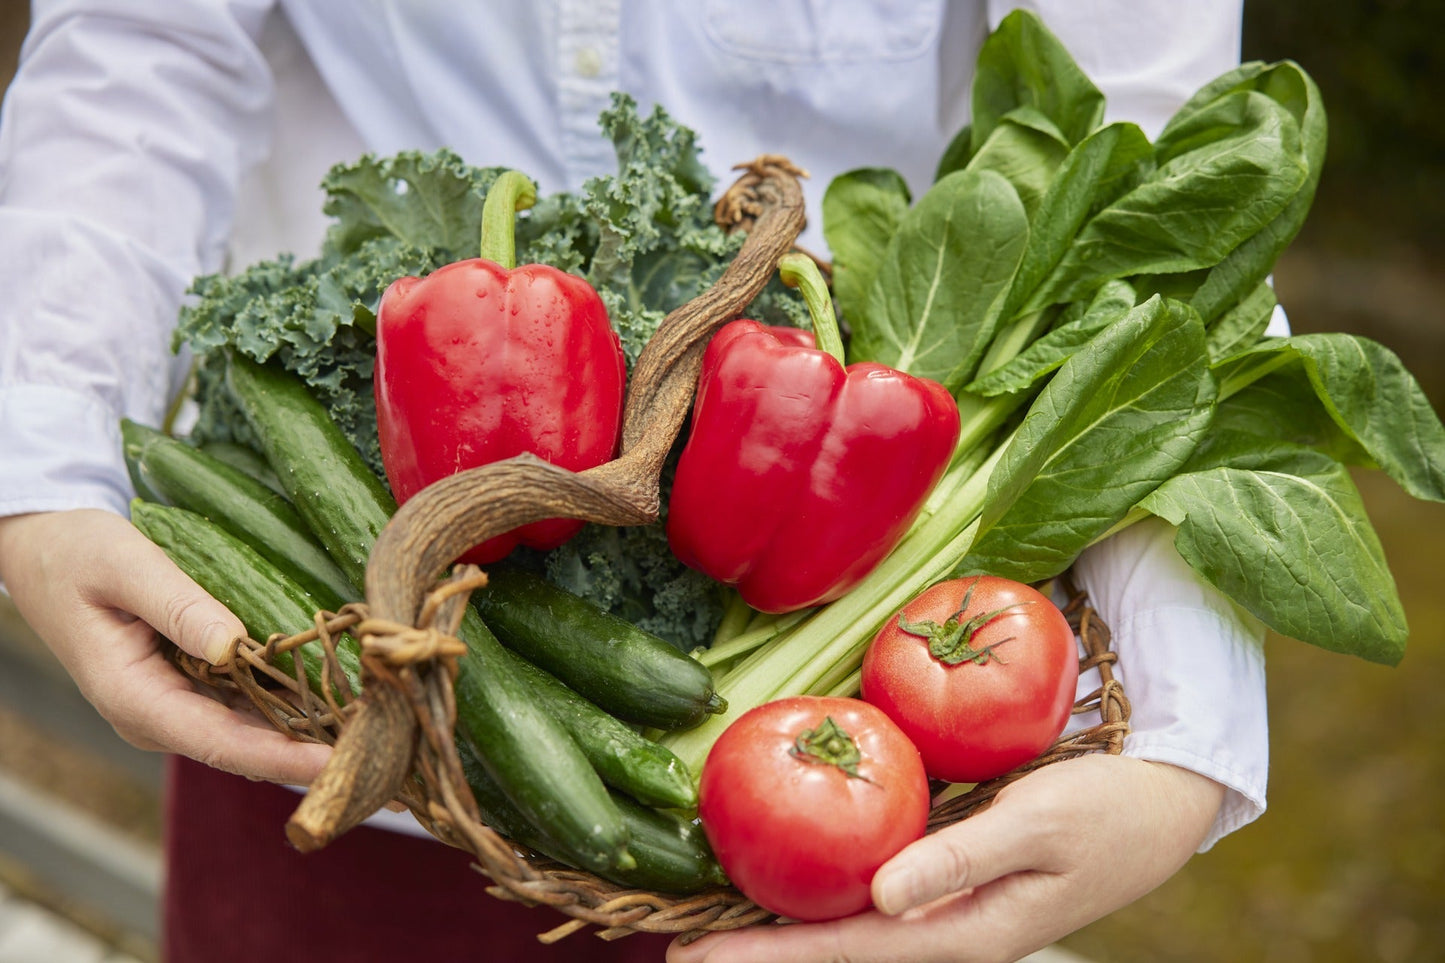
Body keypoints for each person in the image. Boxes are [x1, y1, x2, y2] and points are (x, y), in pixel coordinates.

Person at [0, 3, 1270, 961]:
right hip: (327, 705)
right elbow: (133, 48)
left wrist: (1177, 745)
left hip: (850, 793)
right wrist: (44, 467)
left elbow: (1148, 144)